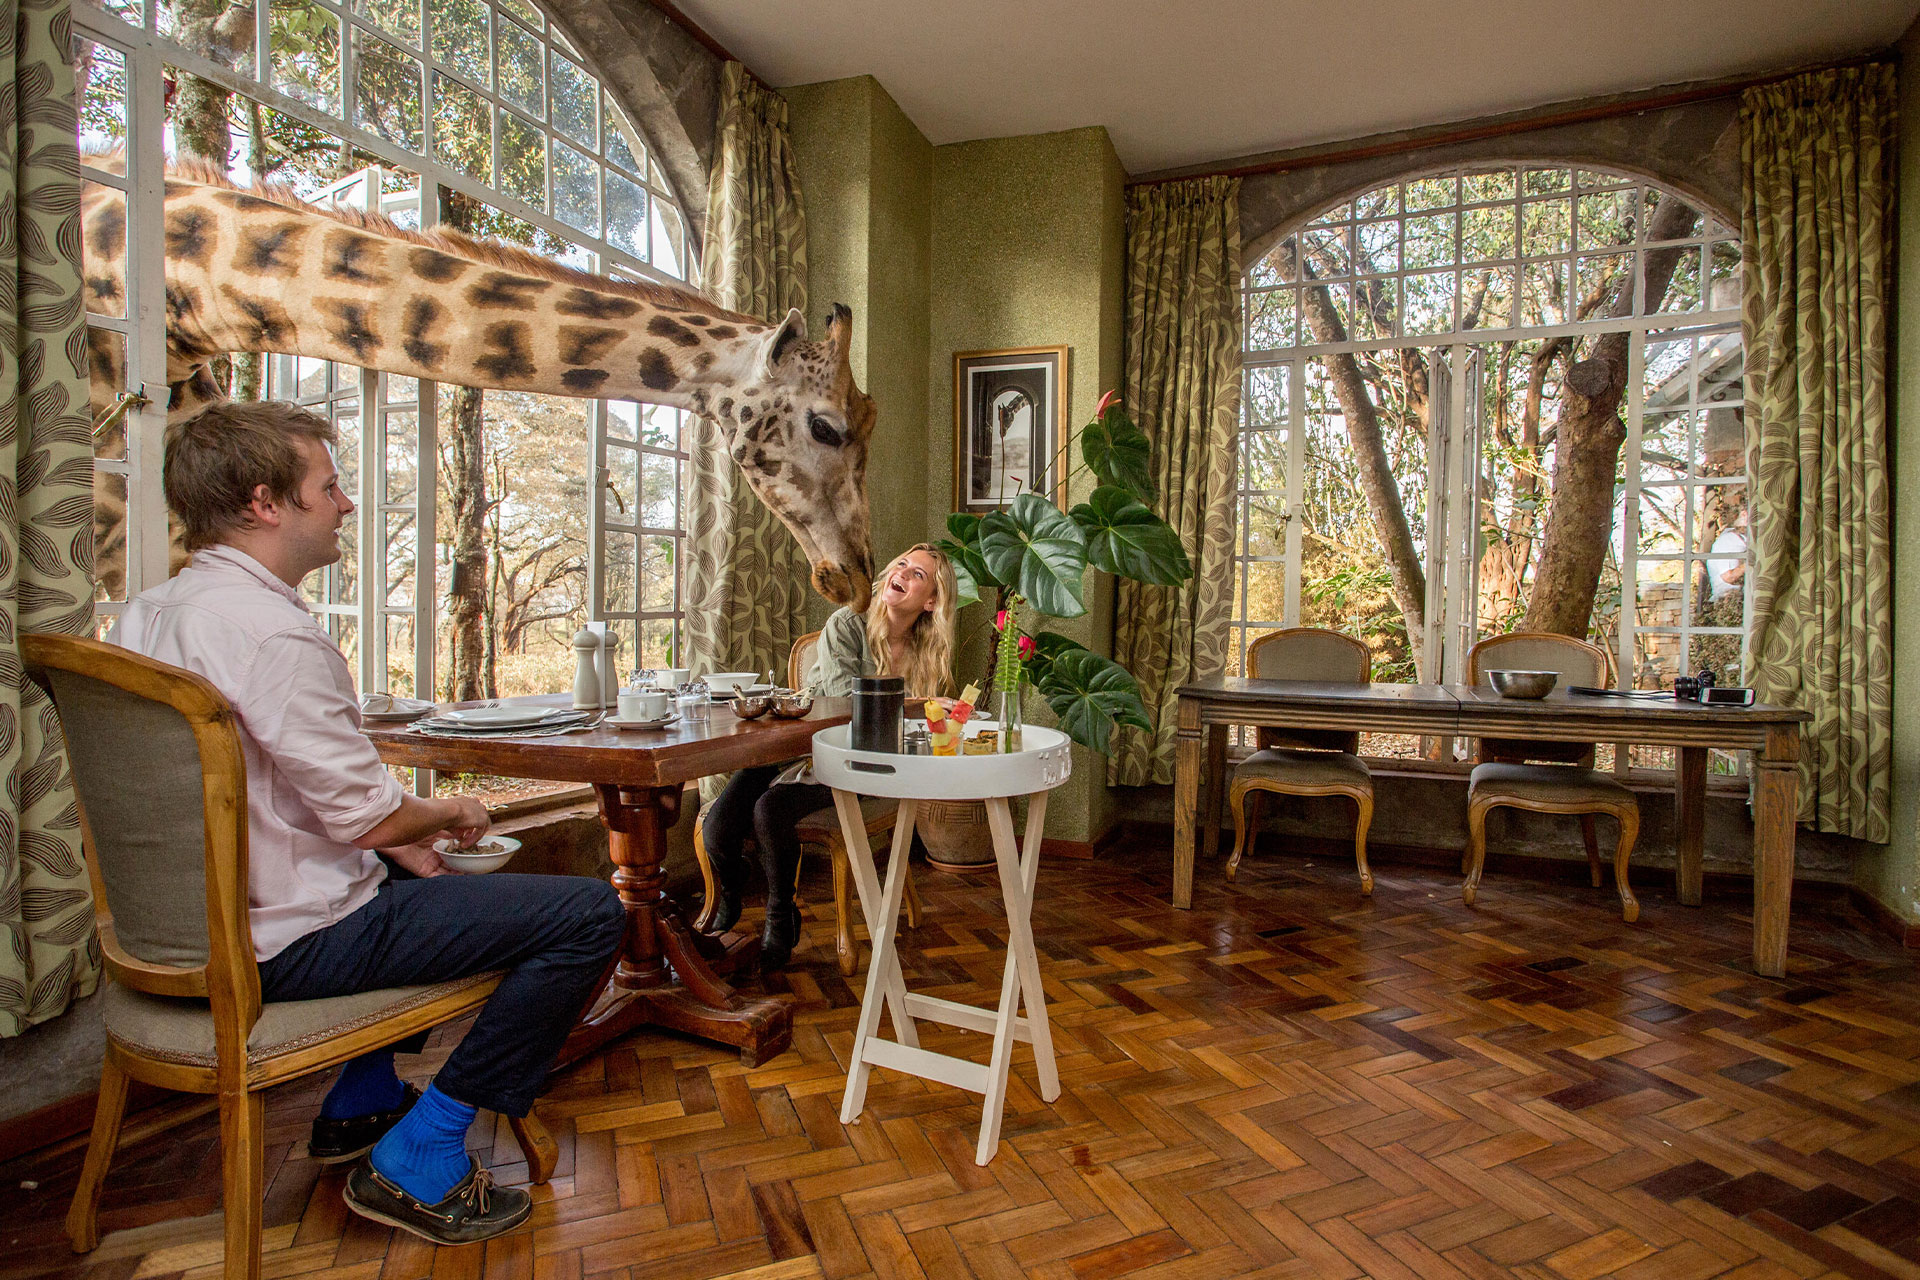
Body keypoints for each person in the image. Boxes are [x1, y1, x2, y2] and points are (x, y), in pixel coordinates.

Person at [110, 401, 625, 1246]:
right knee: (588, 915)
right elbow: (362, 813)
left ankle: (363, 1096)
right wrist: (453, 810)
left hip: (184, 930)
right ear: (267, 502)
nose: (347, 503)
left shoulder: (144, 618)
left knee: (414, 865)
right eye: (331, 486)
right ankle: (421, 1149)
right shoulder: (275, 634)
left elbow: (288, 800)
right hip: (283, 941)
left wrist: (403, 840)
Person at [700, 543, 957, 969]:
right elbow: (841, 702)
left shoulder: (927, 652)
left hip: (856, 760)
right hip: (797, 745)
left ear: (930, 601)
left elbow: (911, 727)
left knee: (770, 811)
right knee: (718, 827)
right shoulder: (847, 624)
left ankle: (781, 917)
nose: (903, 572)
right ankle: (731, 889)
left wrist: (928, 712)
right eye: (902, 562)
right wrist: (918, 702)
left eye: (918, 574)